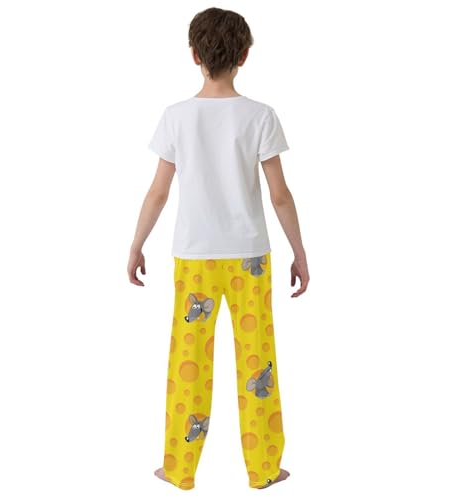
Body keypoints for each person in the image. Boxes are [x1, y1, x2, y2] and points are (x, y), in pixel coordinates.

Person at [127, 7, 310, 490]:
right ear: (244, 55)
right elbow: (279, 195)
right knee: (257, 361)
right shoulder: (260, 116)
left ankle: (178, 468)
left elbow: (158, 192)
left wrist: (137, 244)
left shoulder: (176, 117)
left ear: (194, 55)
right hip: (250, 257)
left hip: (194, 257)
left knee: (188, 361)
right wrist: (299, 252)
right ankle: (265, 469)